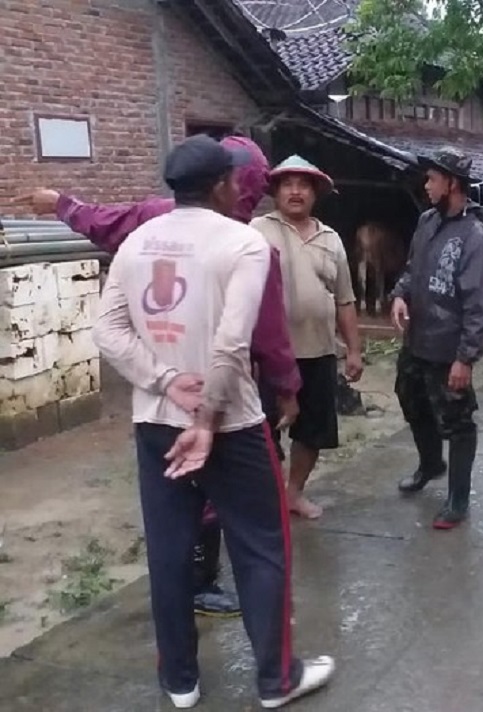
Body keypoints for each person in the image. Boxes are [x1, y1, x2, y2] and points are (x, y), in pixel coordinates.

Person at [11, 135, 300, 619]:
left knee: (173, 505)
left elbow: (105, 226)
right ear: (233, 186)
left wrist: (61, 203)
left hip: (158, 401)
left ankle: (182, 622)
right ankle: (222, 601)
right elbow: (265, 336)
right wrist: (288, 387)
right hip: (222, 400)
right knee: (241, 510)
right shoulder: (249, 248)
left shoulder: (151, 225)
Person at [92, 134, 333, 708]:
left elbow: (108, 331)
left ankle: (180, 681)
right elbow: (231, 342)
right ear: (225, 184)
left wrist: (163, 381)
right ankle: (276, 680)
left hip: (155, 424)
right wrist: (206, 415)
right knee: (262, 547)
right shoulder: (243, 244)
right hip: (232, 425)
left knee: (169, 550)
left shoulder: (136, 242)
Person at [251, 155, 363, 520]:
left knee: (312, 430)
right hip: (266, 356)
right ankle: (265, 497)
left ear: (315, 193)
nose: (296, 192)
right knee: (263, 429)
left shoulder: (330, 239)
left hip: (318, 352)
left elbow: (345, 299)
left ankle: (293, 494)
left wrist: (354, 351)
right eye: (288, 184)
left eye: (303, 185)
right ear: (276, 191)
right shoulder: (257, 230)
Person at [390, 147, 483, 530]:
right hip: (417, 338)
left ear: (452, 183)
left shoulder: (474, 236)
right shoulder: (426, 222)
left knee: (458, 421)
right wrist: (401, 293)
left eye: (433, 178)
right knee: (410, 399)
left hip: (449, 347)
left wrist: (465, 358)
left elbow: (480, 303)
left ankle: (458, 499)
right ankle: (431, 463)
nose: (427, 184)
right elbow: (411, 267)